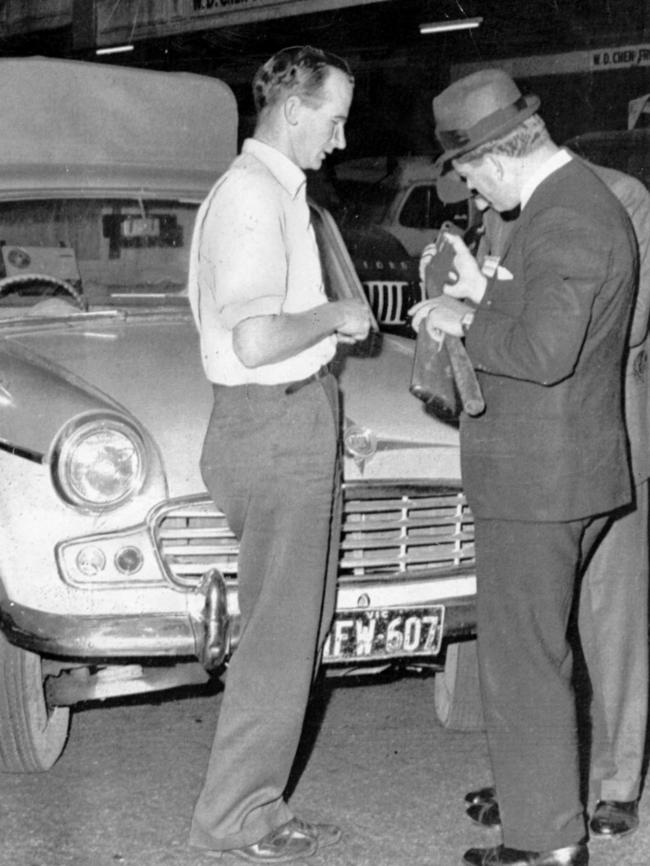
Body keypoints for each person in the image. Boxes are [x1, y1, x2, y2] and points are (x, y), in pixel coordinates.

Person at [412, 68, 638, 866]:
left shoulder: (568, 217)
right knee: (533, 655)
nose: (470, 189)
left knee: (527, 661)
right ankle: (538, 805)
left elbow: (544, 353)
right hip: (551, 471)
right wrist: (481, 298)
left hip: (541, 480)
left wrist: (457, 319)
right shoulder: (563, 202)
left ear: (497, 159)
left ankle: (545, 843)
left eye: (469, 173)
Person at [187, 45, 372, 864]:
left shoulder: (277, 194)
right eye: (333, 119)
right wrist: (336, 316)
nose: (338, 139)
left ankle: (251, 806)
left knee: (288, 632)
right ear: (295, 109)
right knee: (278, 638)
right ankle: (235, 815)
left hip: (289, 421)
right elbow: (258, 340)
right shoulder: (255, 198)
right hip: (272, 426)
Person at [456, 164, 650, 842]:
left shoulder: (614, 202)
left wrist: (478, 308)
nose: (477, 199)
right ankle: (539, 791)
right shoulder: (512, 208)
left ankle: (615, 785)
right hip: (540, 447)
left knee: (608, 623)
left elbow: (608, 331)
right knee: (536, 636)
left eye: (476, 178)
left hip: (597, 438)